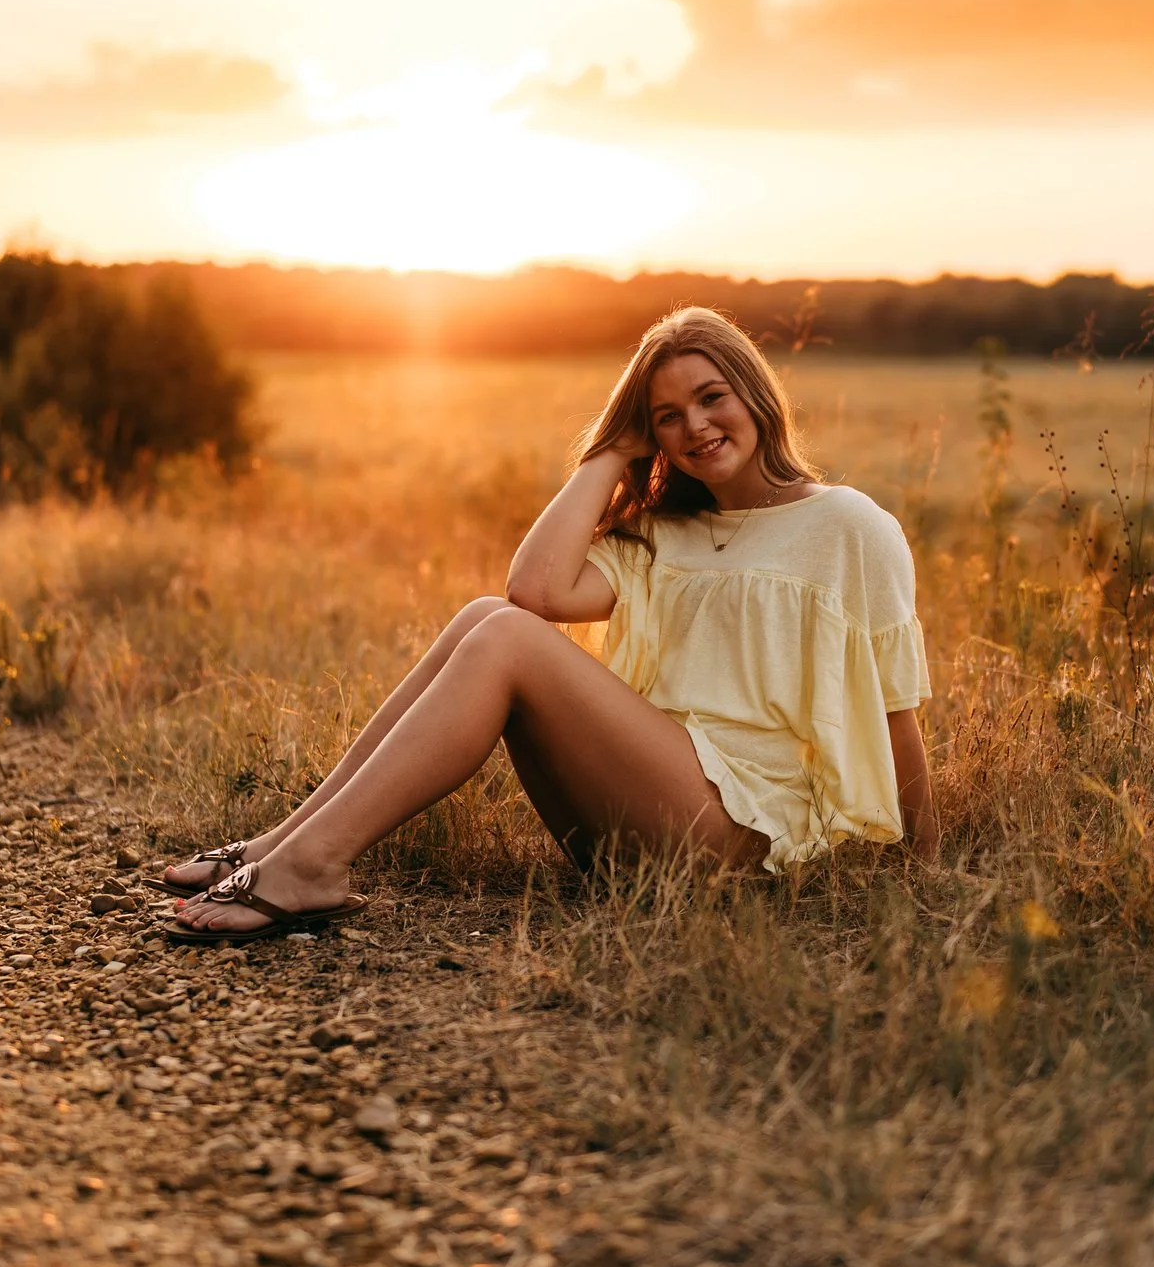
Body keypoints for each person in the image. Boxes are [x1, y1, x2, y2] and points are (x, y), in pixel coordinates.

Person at [156, 307, 936, 942]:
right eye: (666, 416)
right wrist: (612, 451)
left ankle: (313, 863)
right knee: (484, 617)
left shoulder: (848, 526)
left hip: (745, 835)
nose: (695, 425)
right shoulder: (667, 534)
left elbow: (897, 710)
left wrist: (923, 874)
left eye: (711, 397)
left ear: (755, 394)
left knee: (503, 636)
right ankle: (281, 849)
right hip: (638, 825)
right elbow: (532, 588)